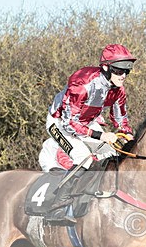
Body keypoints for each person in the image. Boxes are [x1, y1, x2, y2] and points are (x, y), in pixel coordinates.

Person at [39, 44, 136, 224]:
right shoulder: (82, 85)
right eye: (119, 70)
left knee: (113, 153)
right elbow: (69, 123)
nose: (123, 75)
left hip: (86, 122)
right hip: (60, 122)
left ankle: (99, 198)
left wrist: (128, 134)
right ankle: (56, 206)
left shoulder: (118, 90)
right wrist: (100, 136)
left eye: (127, 71)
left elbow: (121, 118)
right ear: (106, 67)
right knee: (83, 156)